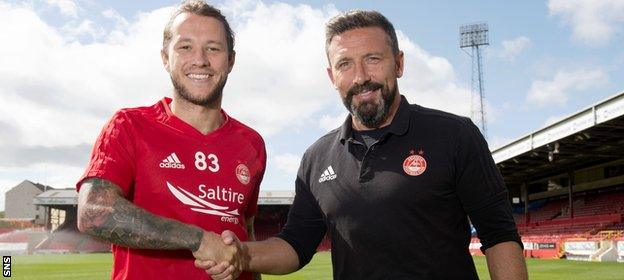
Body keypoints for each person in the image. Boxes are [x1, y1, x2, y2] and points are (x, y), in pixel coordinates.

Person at [201, 10, 528, 280]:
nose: (360, 76)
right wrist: (241, 254)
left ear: (398, 63)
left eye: (372, 59)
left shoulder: (455, 135)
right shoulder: (317, 158)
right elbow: (296, 246)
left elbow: (498, 234)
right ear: (332, 77)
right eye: (345, 64)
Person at [76, 1, 265, 279]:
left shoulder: (252, 143)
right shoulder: (128, 126)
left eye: (213, 48)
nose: (200, 59)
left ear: (231, 60)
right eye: (185, 47)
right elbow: (93, 212)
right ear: (165, 58)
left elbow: (245, 235)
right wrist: (198, 239)